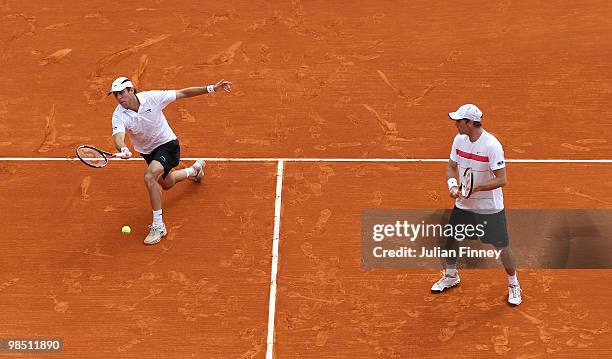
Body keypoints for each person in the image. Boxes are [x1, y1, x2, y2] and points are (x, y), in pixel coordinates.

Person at [108, 76, 232, 245]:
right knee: (167, 183)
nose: (119, 98)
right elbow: (118, 137)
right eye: (115, 95)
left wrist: (212, 88)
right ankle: (194, 170)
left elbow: (182, 93)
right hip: (148, 152)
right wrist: (122, 148)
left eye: (121, 93)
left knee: (150, 176)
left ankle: (158, 226)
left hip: (168, 145)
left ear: (131, 90)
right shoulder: (119, 114)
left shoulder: (152, 98)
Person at [431, 104, 522, 305]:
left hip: (489, 207)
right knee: (451, 239)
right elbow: (451, 167)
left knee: (502, 247)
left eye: (459, 121)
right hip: (464, 203)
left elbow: (502, 179)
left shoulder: (491, 145)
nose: (455, 124)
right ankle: (451, 275)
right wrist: (453, 185)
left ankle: (513, 284)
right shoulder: (459, 140)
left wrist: (476, 188)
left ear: (470, 123)